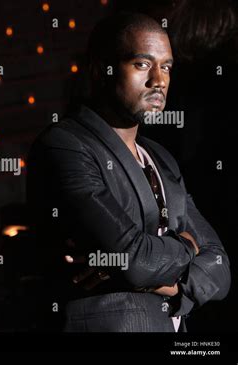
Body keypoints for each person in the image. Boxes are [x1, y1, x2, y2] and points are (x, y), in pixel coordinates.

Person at [25, 12, 231, 332]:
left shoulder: (160, 158)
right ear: (99, 70)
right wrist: (189, 246)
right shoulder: (65, 146)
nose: (158, 80)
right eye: (142, 64)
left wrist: (171, 286)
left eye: (166, 67)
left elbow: (220, 265)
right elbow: (132, 258)